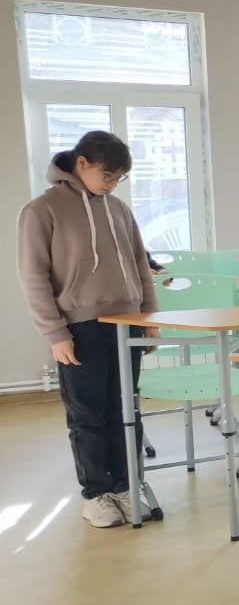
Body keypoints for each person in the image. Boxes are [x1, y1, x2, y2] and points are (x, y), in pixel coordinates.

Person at [17, 129, 158, 528]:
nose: (112, 184)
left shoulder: (119, 210)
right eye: (107, 175)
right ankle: (97, 493)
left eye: (119, 178)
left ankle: (127, 485)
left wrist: (148, 316)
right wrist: (54, 333)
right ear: (81, 164)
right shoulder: (42, 210)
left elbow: (140, 265)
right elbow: (33, 276)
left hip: (127, 323)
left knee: (125, 410)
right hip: (78, 328)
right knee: (88, 414)